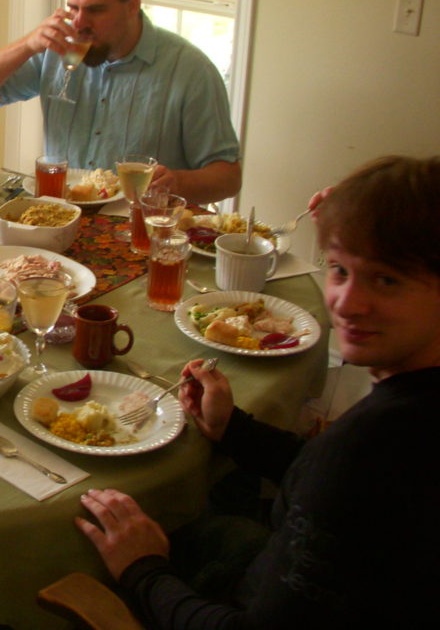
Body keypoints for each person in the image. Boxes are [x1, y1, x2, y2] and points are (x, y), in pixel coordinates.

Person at [75, 155, 440, 628]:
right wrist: (238, 432)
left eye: (386, 280)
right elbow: (342, 493)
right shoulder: (398, 421)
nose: (347, 304)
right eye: (341, 270)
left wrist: (142, 571)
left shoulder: (369, 445)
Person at [0, 0, 241, 204]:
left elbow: (228, 178)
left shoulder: (188, 69)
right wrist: (27, 45)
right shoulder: (60, 49)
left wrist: (179, 182)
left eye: (95, 10)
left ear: (132, 5)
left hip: (138, 228)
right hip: (60, 217)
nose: (80, 22)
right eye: (73, 8)